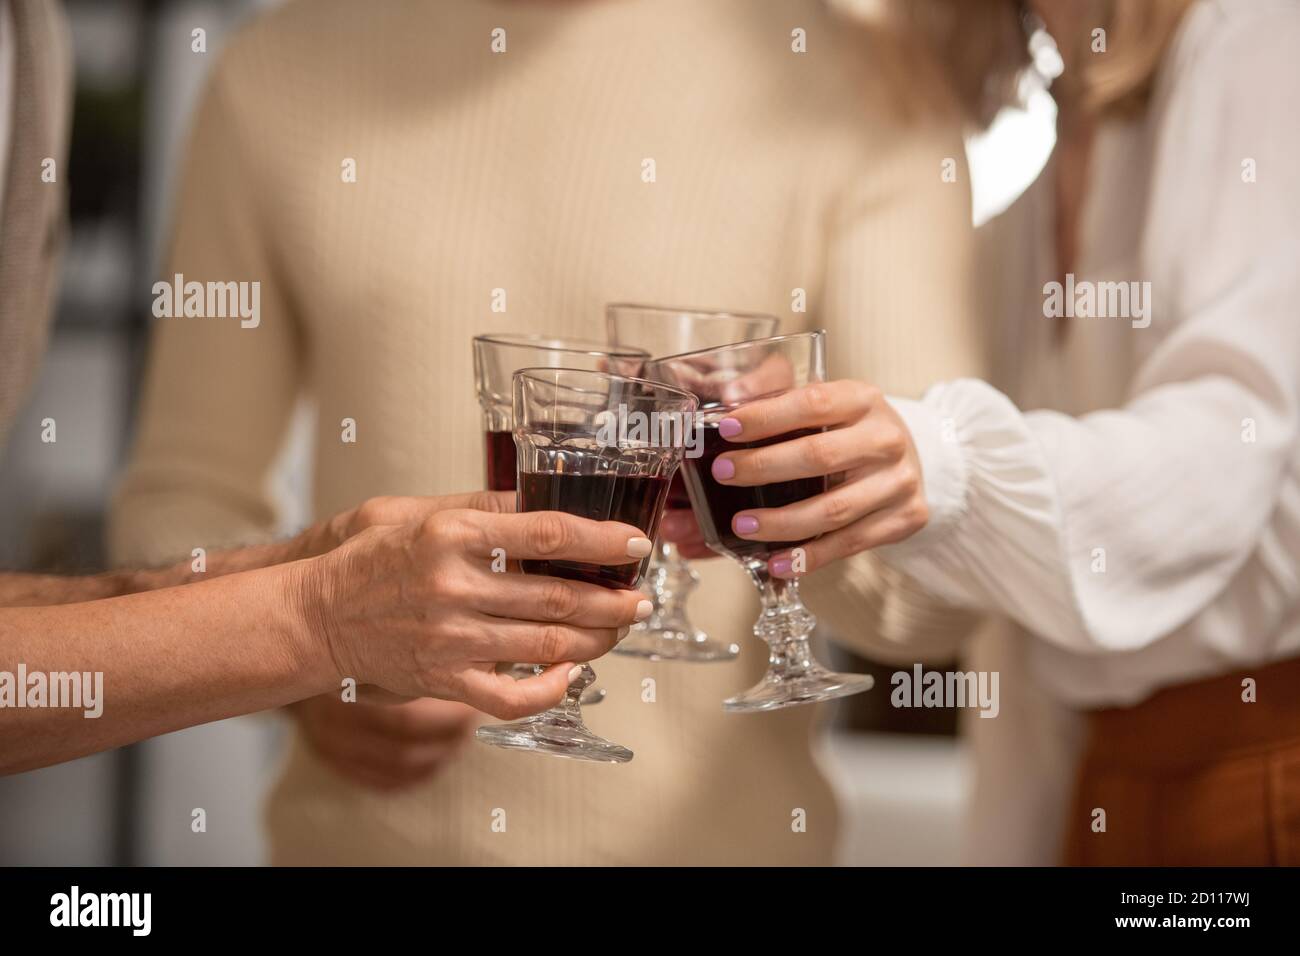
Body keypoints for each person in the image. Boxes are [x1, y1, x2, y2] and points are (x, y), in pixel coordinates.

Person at [111, 0, 986, 863]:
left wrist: (806, 494)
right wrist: (301, 670)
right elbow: (181, 496)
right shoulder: (275, 72)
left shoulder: (871, 81)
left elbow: (932, 604)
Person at [704, 0, 1300, 864]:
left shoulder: (1256, 37)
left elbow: (1227, 449)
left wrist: (945, 464)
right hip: (1109, 784)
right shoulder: (1032, 190)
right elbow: (1021, 626)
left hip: (1260, 776)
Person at [0, 0, 649, 777]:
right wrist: (318, 630)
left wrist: (313, 586)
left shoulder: (34, 33)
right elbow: (185, 485)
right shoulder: (269, 69)